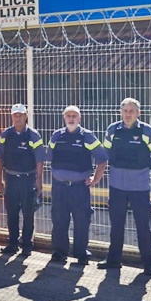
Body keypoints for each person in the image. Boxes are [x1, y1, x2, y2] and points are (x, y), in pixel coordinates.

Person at [98, 98, 151, 276]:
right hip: (117, 187)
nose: (128, 114)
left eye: (131, 111)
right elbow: (106, 152)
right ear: (121, 112)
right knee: (116, 226)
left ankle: (148, 265)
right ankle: (113, 261)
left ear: (138, 113)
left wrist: (143, 169)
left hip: (139, 188)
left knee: (143, 227)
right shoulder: (112, 130)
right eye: (125, 111)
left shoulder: (148, 132)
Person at [46, 105, 107, 265]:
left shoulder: (87, 136)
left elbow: (102, 159)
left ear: (79, 118)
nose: (71, 118)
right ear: (64, 118)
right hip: (59, 187)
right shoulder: (56, 136)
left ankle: (81, 253)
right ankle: (59, 252)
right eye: (68, 116)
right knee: (59, 220)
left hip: (79, 188)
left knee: (82, 220)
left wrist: (96, 178)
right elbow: (49, 157)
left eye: (74, 116)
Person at [0, 103, 46, 256]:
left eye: (21, 115)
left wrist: (39, 181)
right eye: (15, 115)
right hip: (10, 179)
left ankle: (27, 245)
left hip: (27, 179)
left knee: (28, 213)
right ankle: (12, 243)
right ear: (12, 117)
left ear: (26, 116)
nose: (18, 118)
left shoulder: (33, 135)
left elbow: (40, 160)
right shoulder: (6, 135)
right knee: (11, 213)